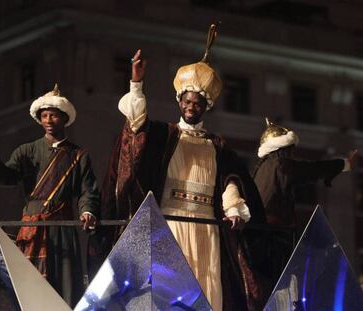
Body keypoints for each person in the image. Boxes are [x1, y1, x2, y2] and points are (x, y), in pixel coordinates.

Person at [99, 25, 266, 311]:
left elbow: (231, 179)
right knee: (168, 289)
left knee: (206, 285)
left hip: (206, 228)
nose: (192, 106)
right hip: (170, 223)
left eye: (198, 102)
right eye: (188, 101)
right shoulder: (165, 135)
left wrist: (233, 205)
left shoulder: (217, 144)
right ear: (180, 101)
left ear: (206, 106)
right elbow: (136, 127)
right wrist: (136, 84)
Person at [0, 84, 100, 307]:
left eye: (54, 115)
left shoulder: (79, 155)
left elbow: (88, 190)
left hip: (62, 230)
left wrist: (87, 211)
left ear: (64, 118)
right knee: (28, 285)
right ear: (39, 119)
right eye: (44, 116)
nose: (48, 120)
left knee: (64, 284)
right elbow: (5, 177)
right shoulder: (27, 151)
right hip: (31, 228)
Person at [252, 118, 356, 288]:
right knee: (281, 285)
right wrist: (344, 164)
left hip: (261, 237)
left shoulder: (261, 168)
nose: (293, 155)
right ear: (283, 149)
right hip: (275, 237)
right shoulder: (281, 165)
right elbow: (312, 170)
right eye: (291, 151)